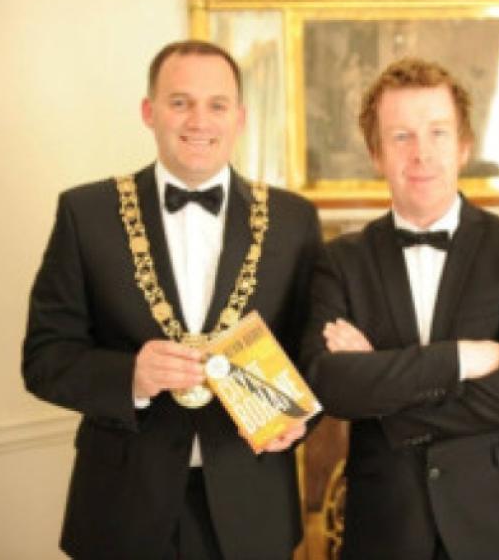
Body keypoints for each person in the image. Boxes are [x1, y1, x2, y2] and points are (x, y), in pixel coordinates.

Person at [22, 40, 322, 560]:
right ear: (149, 111)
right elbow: (44, 358)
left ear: (240, 117)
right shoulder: (85, 214)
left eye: (217, 105)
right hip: (121, 505)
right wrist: (129, 377)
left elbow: (311, 350)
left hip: (252, 501)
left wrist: (300, 419)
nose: (198, 120)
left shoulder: (294, 220)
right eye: (180, 102)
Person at [300, 58, 499, 560]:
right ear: (376, 154)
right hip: (386, 526)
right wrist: (461, 360)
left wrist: (387, 391)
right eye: (400, 136)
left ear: (464, 146)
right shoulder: (341, 260)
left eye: (437, 133)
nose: (420, 153)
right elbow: (329, 384)